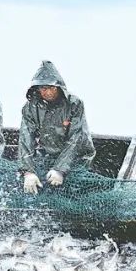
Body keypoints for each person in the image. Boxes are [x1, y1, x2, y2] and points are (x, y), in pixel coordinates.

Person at [17, 61, 95, 195]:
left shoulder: (74, 104)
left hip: (78, 158)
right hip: (48, 156)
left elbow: (76, 139)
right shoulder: (30, 107)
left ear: (58, 87)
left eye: (50, 87)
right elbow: (25, 139)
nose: (47, 92)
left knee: (73, 190)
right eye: (43, 88)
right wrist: (28, 171)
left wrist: (60, 169)